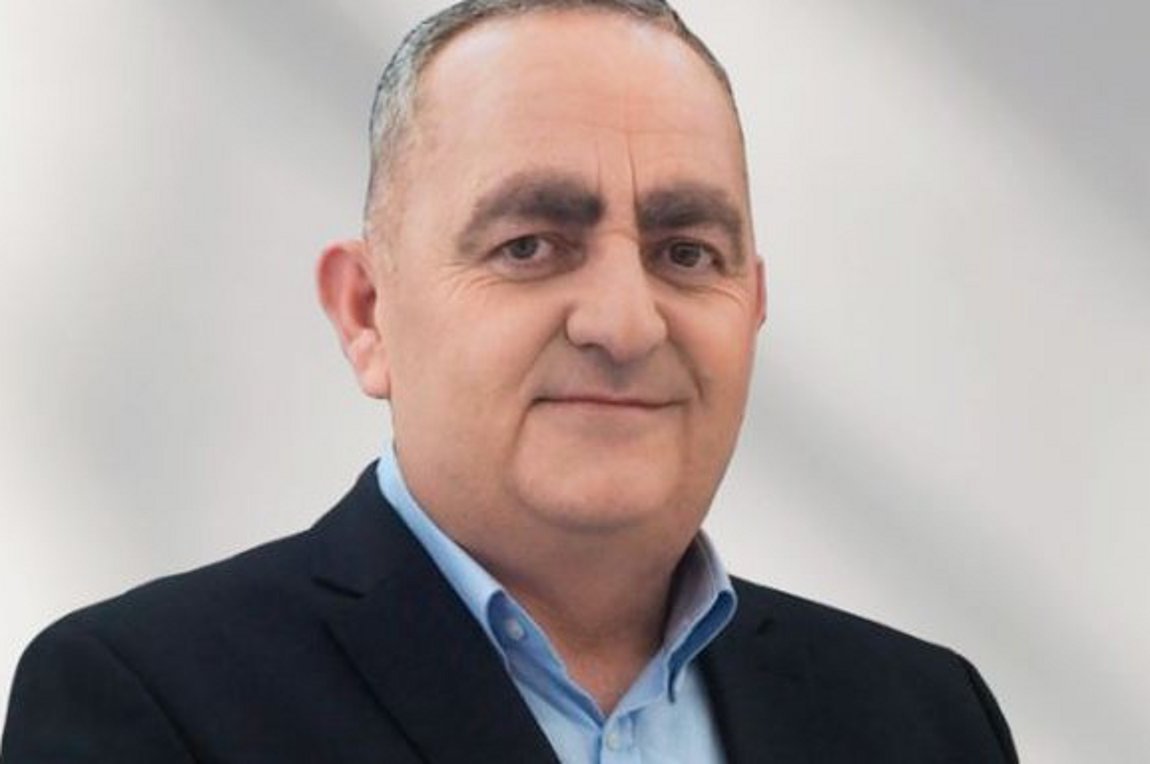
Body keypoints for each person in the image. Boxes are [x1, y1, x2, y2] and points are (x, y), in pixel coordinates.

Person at [2, 1, 1018, 761]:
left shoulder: (924, 719)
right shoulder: (154, 703)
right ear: (367, 313)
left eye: (686, 253)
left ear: (753, 308)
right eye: (530, 245)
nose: (624, 323)